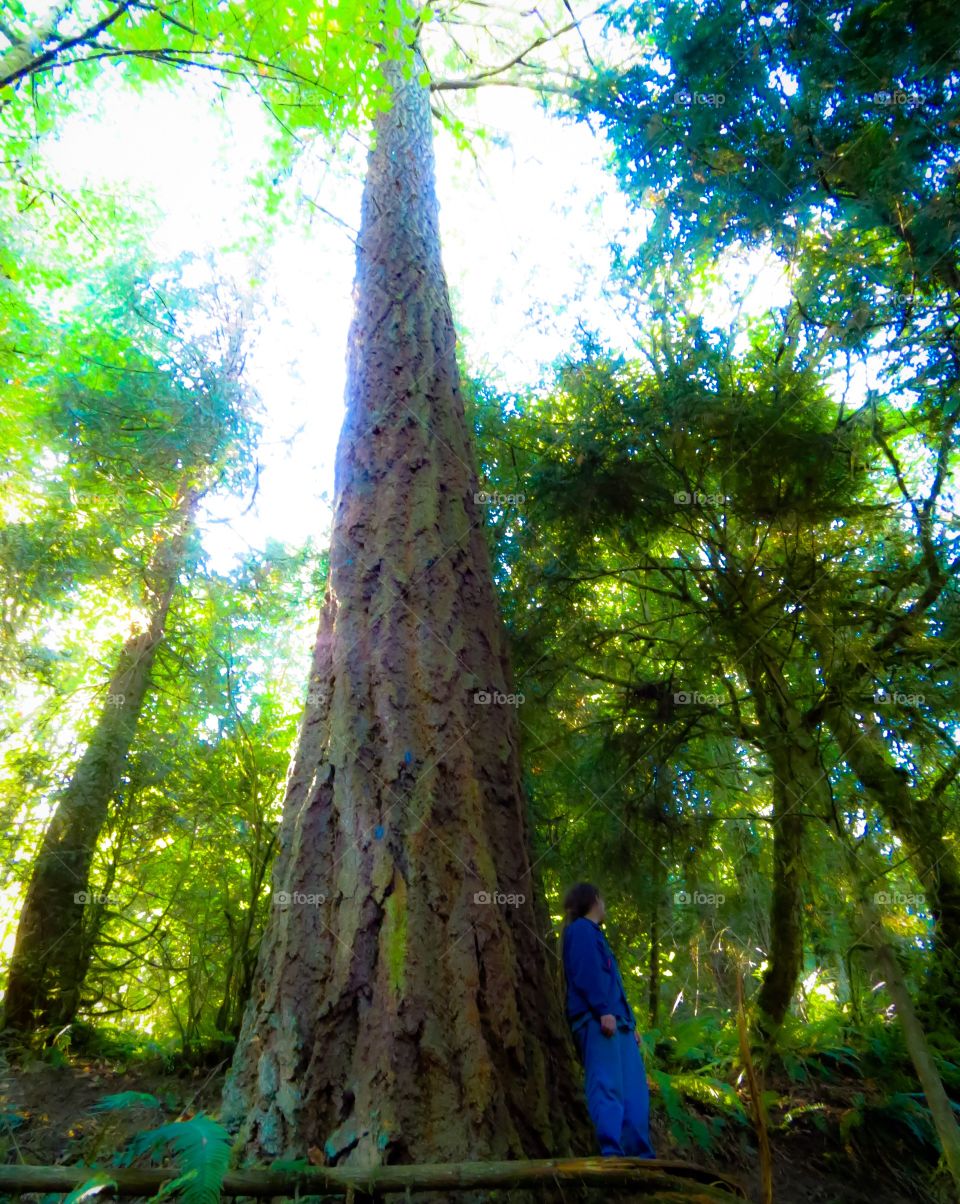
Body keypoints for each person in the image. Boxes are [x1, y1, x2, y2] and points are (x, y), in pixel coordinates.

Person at [561, 881, 656, 1159]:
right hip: (597, 1020)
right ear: (593, 900)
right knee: (607, 1085)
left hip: (619, 1024)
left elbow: (613, 983)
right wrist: (602, 1010)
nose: (605, 906)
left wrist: (630, 1023)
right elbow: (585, 971)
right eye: (602, 899)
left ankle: (640, 1156)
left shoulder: (596, 935)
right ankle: (612, 1153)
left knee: (634, 1092)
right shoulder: (580, 931)